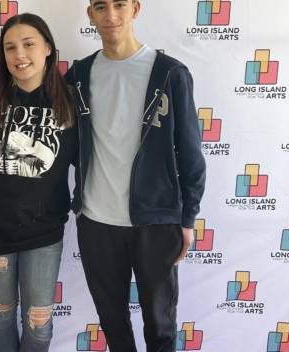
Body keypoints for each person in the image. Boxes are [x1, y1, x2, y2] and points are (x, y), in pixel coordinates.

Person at [65, 1, 206, 351]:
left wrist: (187, 219)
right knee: (113, 325)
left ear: (135, 9)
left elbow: (190, 152)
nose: (111, 15)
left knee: (160, 326)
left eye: (119, 4)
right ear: (90, 14)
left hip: (156, 223)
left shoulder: (170, 73)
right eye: (101, 6)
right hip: (96, 222)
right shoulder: (77, 76)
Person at [0, 13, 77, 352]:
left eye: (29, 44)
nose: (20, 55)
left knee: (39, 323)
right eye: (10, 48)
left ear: (48, 47)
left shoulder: (72, 102)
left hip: (44, 232)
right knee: (1, 316)